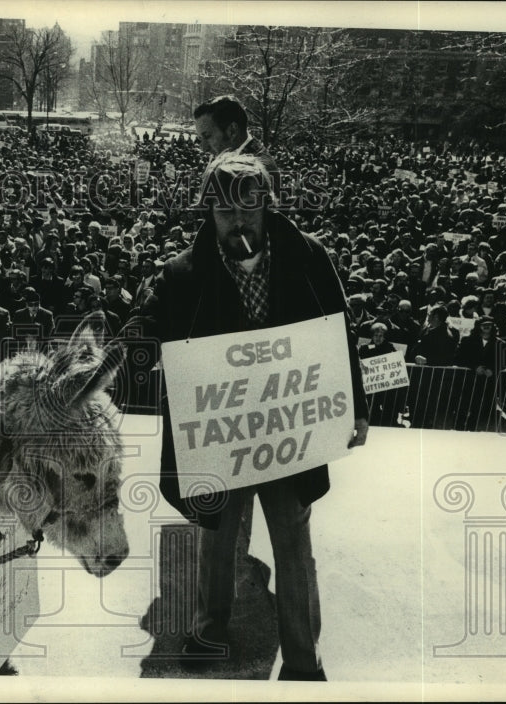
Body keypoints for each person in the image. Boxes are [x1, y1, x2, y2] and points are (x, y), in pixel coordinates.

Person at [123, 153, 368, 681]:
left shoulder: (309, 258)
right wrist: (141, 332)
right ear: (208, 212)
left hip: (289, 438)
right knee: (216, 540)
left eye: (249, 206)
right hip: (219, 441)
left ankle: (304, 658)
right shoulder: (181, 274)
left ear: (267, 204)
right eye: (225, 209)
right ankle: (210, 630)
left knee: (294, 546)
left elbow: (341, 333)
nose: (239, 220)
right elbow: (145, 329)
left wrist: (359, 407)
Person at [193, 95, 279, 174]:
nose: (203, 148)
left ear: (232, 131)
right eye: (200, 138)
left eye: (207, 136)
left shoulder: (259, 171)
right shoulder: (227, 154)